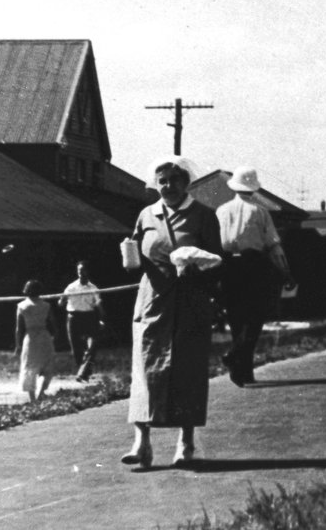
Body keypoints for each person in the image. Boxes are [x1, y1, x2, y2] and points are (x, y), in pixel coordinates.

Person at [122, 156, 224, 469]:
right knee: (145, 368)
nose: (168, 187)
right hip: (152, 300)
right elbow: (137, 252)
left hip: (189, 301)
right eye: (162, 180)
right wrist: (129, 256)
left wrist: (197, 270)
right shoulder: (146, 214)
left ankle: (186, 442)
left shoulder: (204, 216)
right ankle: (142, 443)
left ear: (186, 182)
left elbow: (217, 260)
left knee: (187, 369)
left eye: (174, 180)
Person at [217, 166, 291, 387]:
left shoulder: (221, 211)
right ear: (253, 188)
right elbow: (274, 246)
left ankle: (243, 373)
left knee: (236, 319)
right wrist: (286, 272)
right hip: (254, 264)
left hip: (228, 264)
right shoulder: (260, 212)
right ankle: (235, 356)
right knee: (255, 316)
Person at [59, 261, 107, 383]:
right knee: (76, 348)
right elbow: (61, 301)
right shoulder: (71, 287)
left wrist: (102, 319)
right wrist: (62, 301)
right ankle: (84, 371)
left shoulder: (93, 288)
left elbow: (99, 305)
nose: (81, 273)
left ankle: (83, 372)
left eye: (83, 270)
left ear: (87, 271)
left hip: (89, 317)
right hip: (73, 317)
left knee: (92, 345)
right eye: (79, 270)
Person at [15, 280, 57, 403]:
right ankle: (41, 393)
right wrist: (54, 335)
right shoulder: (46, 305)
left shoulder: (21, 306)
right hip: (44, 336)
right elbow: (53, 323)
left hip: (30, 338)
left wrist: (18, 344)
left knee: (29, 368)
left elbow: (19, 328)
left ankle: (33, 399)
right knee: (46, 367)